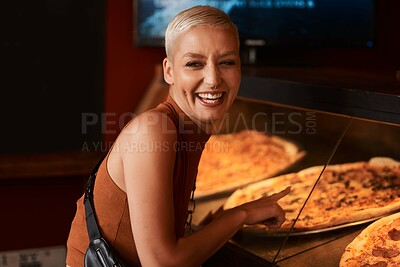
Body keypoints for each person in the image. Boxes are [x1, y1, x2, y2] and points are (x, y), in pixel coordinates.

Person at [66, 5, 290, 267]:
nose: (213, 79)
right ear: (169, 71)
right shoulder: (154, 129)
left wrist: (224, 220)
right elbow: (162, 263)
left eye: (227, 62)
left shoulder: (193, 128)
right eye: (194, 64)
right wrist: (242, 213)